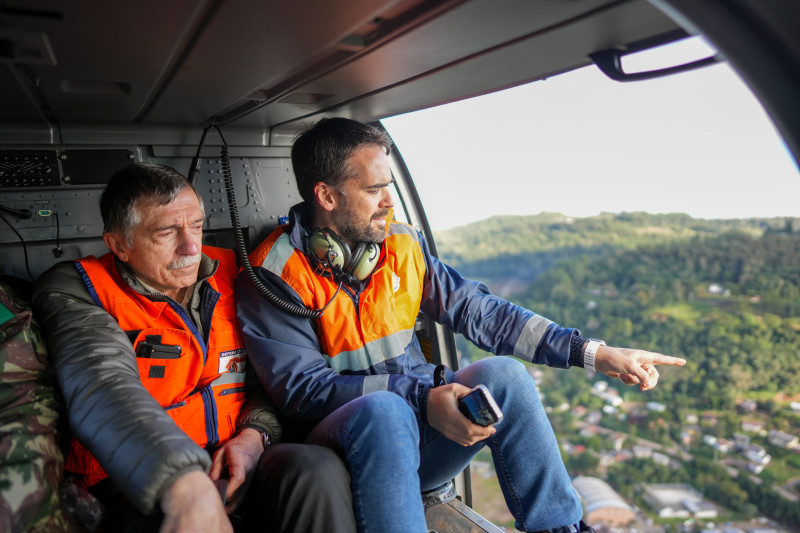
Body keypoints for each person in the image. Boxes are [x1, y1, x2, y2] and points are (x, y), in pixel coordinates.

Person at [235, 118, 687, 533]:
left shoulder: (401, 245)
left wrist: (592, 353)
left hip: (418, 440)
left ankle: (560, 529)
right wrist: (422, 397)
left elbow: (480, 311)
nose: (389, 202)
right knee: (384, 411)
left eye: (389, 186)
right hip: (340, 455)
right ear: (327, 196)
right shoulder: (273, 274)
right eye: (375, 190)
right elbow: (304, 392)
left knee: (504, 377)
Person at [32, 163, 356, 533]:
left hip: (235, 457)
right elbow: (103, 385)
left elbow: (267, 379)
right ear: (119, 245)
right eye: (166, 232)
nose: (191, 247)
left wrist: (255, 436)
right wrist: (183, 481)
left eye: (197, 226)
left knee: (316, 470)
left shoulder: (236, 272)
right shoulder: (80, 289)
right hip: (140, 480)